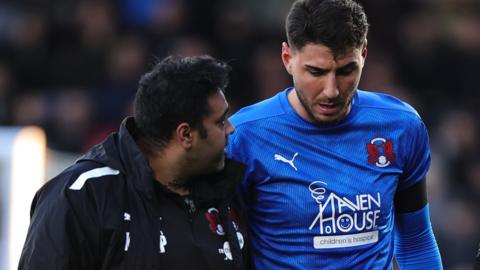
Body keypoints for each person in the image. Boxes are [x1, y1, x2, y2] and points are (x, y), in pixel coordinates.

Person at [226, 0, 443, 268]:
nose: (332, 90)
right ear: (288, 59)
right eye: (316, 72)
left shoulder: (400, 126)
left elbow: (415, 238)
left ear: (363, 54)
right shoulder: (244, 136)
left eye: (346, 70)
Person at [19, 55, 250, 269]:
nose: (231, 129)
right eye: (221, 122)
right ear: (186, 135)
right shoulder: (83, 195)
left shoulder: (230, 191)